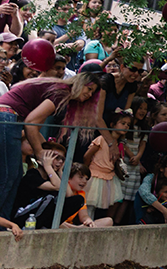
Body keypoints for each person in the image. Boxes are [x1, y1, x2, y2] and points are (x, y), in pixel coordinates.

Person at [0, 68, 105, 220]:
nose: (89, 95)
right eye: (88, 89)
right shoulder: (61, 92)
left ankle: (4, 222)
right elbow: (30, 124)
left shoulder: (58, 90)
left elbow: (34, 128)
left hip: (11, 120)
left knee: (15, 176)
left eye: (92, 93)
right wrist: (40, 154)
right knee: (8, 176)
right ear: (79, 83)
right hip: (7, 117)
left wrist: (48, 149)